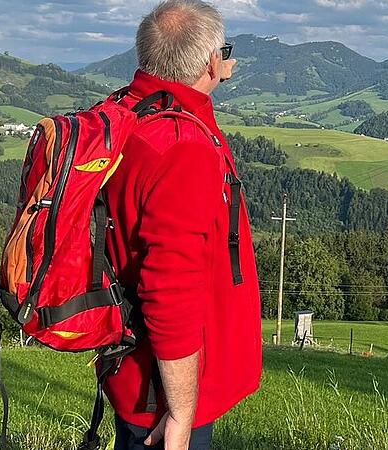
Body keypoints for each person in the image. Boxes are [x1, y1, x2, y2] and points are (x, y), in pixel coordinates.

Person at [101, 1, 262, 449]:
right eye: (223, 53)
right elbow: (170, 289)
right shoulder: (181, 147)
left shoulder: (130, 114)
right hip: (163, 392)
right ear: (211, 62)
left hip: (133, 365)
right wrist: (181, 411)